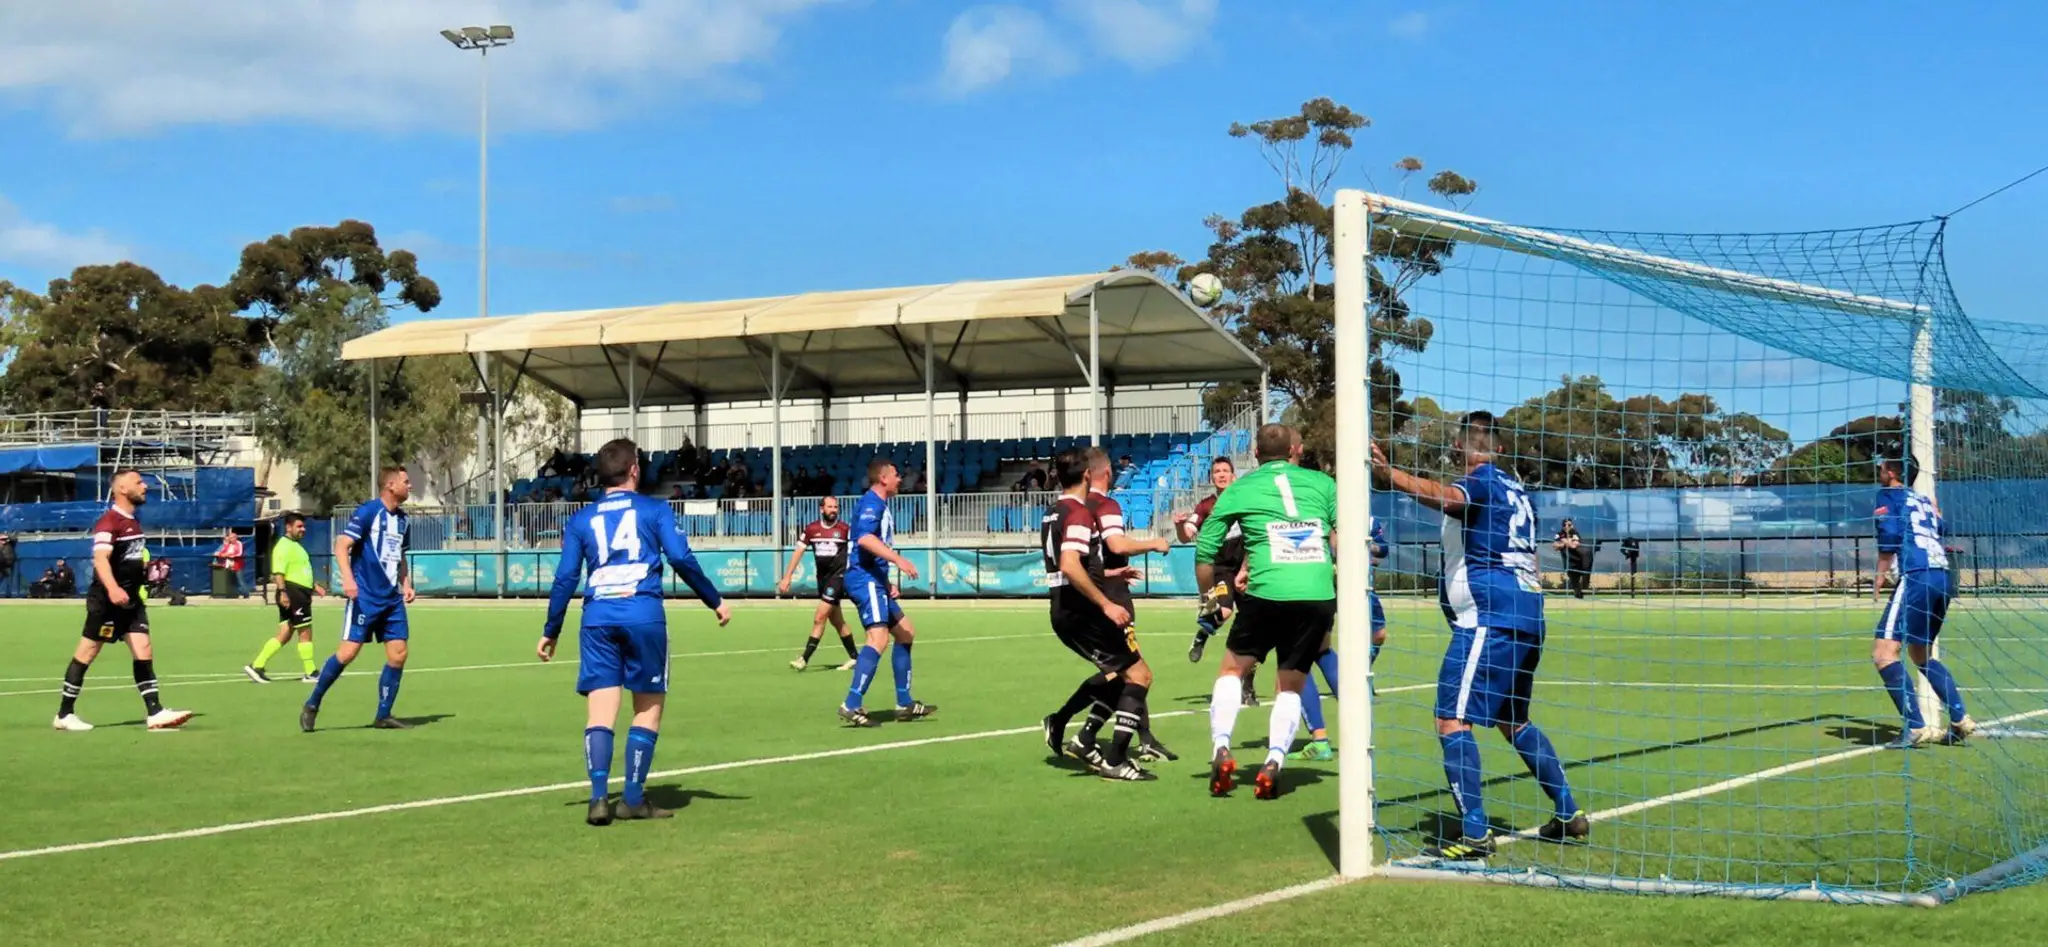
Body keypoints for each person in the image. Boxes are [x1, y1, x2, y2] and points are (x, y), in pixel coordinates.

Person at [1372, 411, 1586, 860]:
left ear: (1457, 447)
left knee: (1451, 719)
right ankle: (1568, 812)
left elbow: (1449, 499)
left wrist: (1389, 475)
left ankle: (1474, 832)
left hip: (1489, 618)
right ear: (1501, 447)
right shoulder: (1517, 490)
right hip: (1527, 612)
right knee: (1514, 721)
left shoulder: (1481, 482)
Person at [540, 438, 732, 826]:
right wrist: (713, 599)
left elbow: (565, 578)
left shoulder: (581, 520)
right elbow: (680, 557)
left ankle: (598, 798)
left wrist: (552, 629)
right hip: (642, 614)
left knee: (600, 711)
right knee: (647, 707)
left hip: (597, 618)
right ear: (633, 470)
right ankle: (632, 798)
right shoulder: (654, 510)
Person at [1194, 424, 1337, 800]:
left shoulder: (1240, 488)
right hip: (1316, 594)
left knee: (1232, 670)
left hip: (1266, 594)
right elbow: (1342, 538)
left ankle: (1221, 747)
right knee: (1290, 684)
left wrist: (1209, 595)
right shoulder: (1324, 484)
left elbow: (1205, 548)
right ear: (1295, 450)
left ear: (1256, 454)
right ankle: (1274, 760)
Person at [1043, 449, 1176, 769]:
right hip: (1087, 606)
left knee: (1120, 673)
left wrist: (1112, 573)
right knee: (1136, 674)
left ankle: (1081, 735)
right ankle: (1117, 756)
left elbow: (1073, 565)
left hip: (1073, 602)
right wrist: (1106, 603)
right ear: (1090, 474)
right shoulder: (1087, 509)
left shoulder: (1053, 511)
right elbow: (1076, 562)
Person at [51, 469, 193, 732]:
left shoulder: (133, 521)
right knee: (87, 652)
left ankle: (155, 711)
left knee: (144, 649)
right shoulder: (109, 522)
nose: (145, 486)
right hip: (107, 602)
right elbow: (100, 559)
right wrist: (114, 588)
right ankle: (64, 714)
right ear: (122, 489)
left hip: (131, 602)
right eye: (138, 482)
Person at [302, 467, 417, 732]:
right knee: (347, 653)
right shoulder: (368, 512)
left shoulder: (403, 520)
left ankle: (383, 715)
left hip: (392, 600)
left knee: (399, 654)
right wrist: (348, 579)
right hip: (366, 597)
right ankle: (312, 703)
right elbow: (342, 545)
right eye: (406, 481)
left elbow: (399, 556)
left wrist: (406, 583)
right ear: (390, 485)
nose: (409, 486)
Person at [1872, 458, 1976, 747]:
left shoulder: (1887, 495)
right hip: (1943, 576)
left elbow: (1889, 535)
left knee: (1883, 653)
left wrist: (1879, 575)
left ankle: (1915, 726)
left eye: (1881, 467)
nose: (1879, 471)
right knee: (1921, 654)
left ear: (1892, 472)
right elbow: (1940, 526)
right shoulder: (1923, 500)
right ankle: (1960, 718)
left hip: (1917, 575)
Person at [836, 457, 935, 727]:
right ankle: (851, 704)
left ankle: (904, 703)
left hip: (874, 578)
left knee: (905, 632)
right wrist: (898, 560)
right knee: (877, 639)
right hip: (863, 578)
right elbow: (865, 539)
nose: (900, 479)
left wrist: (886, 581)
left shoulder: (879, 504)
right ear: (883, 478)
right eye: (896, 474)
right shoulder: (872, 503)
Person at [1292, 515, 1390, 762]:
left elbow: (1380, 549)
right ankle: (1355, 727)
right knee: (1318, 650)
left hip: (1322, 586)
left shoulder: (1347, 514)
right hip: (1325, 585)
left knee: (1297, 657)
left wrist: (1361, 548)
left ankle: (1321, 740)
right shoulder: (1325, 511)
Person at [1178, 457, 1261, 707]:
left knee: (1252, 626)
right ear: (1212, 477)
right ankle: (1202, 635)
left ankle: (1248, 688)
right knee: (1224, 611)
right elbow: (1186, 535)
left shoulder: (1245, 500)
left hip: (1246, 567)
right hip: (1221, 568)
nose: (1221, 475)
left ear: (1234, 475)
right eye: (1217, 471)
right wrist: (1180, 526)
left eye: (1225, 471)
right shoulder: (1206, 506)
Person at [780, 496, 859, 671]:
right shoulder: (811, 529)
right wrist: (787, 576)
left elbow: (857, 551)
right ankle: (855, 657)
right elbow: (798, 552)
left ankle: (804, 659)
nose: (833, 510)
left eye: (836, 507)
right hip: (822, 580)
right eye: (830, 507)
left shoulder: (845, 529)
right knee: (837, 621)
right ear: (821, 509)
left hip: (838, 578)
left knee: (819, 618)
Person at [244, 512, 325, 683]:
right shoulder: (283, 546)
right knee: (305, 631)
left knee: (286, 632)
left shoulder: (296, 546)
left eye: (304, 526)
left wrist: (313, 585)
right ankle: (310, 671)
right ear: (288, 527)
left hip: (298, 592)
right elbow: (278, 572)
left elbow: (299, 570)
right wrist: (283, 592)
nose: (303, 529)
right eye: (299, 526)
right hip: (294, 593)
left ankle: (257, 665)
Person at [1552, 519, 1591, 599]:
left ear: (1572, 525)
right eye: (1564, 525)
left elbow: (1574, 545)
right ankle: (1579, 597)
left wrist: (1563, 541)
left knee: (1585, 582)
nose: (1566, 527)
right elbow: (1555, 546)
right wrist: (1568, 541)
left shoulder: (1575, 533)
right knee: (1575, 583)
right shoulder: (1559, 534)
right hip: (1569, 563)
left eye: (1569, 525)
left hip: (1580, 561)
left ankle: (1583, 591)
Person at [213, 528, 247, 598]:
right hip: (228, 565)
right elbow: (222, 552)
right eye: (229, 537)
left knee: (240, 580)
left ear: (235, 538)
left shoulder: (239, 543)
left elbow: (239, 553)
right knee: (229, 580)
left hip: (237, 565)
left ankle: (246, 594)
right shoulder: (228, 544)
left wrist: (229, 555)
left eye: (231, 538)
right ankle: (232, 594)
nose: (230, 539)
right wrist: (221, 554)